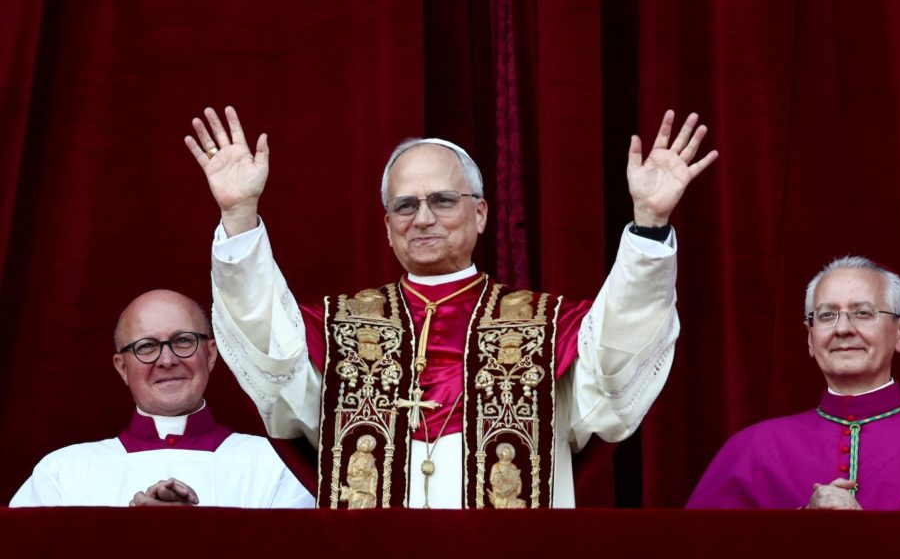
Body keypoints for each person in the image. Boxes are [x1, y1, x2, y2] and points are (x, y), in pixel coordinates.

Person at [184, 105, 717, 508]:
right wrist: (239, 217)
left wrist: (648, 225)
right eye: (405, 205)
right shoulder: (337, 328)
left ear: (481, 214)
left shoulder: (548, 327)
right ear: (387, 227)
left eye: (442, 200)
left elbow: (619, 356)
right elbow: (267, 347)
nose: (423, 218)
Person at [686, 257, 900, 510]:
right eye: (827, 315)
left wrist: (869, 538)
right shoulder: (752, 450)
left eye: (863, 313)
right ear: (810, 337)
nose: (843, 329)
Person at [9, 290, 314, 508]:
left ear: (209, 355)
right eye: (146, 347)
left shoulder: (278, 466)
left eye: (183, 341)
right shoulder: (62, 473)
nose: (166, 360)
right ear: (122, 367)